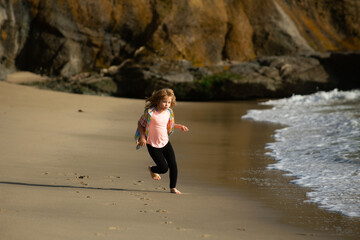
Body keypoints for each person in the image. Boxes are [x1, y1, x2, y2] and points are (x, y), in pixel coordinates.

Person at [135, 88, 189, 194]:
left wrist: (179, 126)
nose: (167, 104)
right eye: (164, 102)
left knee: (173, 165)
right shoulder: (150, 113)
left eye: (169, 102)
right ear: (158, 101)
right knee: (164, 168)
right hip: (152, 144)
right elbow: (140, 124)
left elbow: (169, 125)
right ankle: (152, 169)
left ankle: (173, 187)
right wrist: (142, 137)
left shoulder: (169, 112)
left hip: (165, 142)